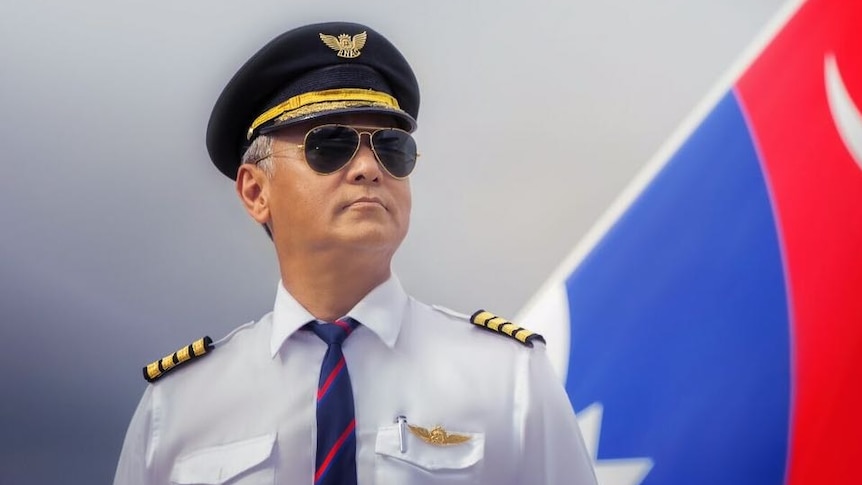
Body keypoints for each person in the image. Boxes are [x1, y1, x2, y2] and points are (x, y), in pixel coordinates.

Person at [113, 21, 597, 485]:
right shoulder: (178, 408)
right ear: (256, 191)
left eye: (392, 147)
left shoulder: (508, 380)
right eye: (329, 145)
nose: (368, 167)